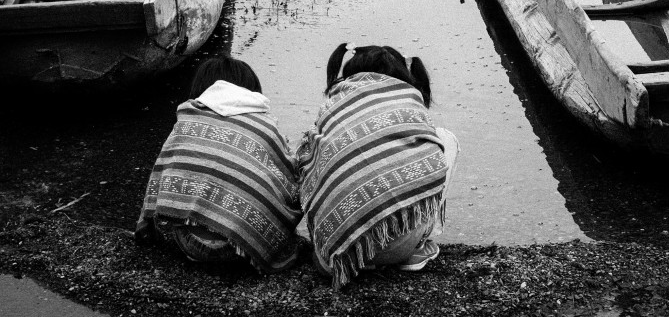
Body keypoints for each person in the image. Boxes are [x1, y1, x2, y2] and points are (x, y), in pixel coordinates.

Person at [297, 44, 460, 288]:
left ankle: (343, 245)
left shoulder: (331, 110)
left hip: (336, 254)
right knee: (444, 139)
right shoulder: (408, 100)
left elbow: (305, 167)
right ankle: (420, 245)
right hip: (398, 248)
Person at [136, 56, 302, 272]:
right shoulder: (266, 126)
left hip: (190, 242)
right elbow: (290, 181)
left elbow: (161, 174)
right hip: (243, 248)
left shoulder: (187, 116)